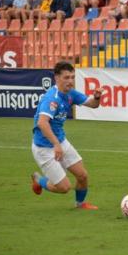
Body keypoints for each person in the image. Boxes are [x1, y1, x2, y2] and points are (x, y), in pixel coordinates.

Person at [31, 61, 103, 210]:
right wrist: (56, 145)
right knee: (64, 188)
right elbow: (42, 123)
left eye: (72, 77)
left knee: (82, 176)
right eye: (66, 77)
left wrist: (97, 97)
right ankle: (39, 180)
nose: (70, 81)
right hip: (43, 147)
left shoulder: (70, 93)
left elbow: (93, 104)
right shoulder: (52, 98)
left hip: (60, 141)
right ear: (57, 78)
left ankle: (80, 204)